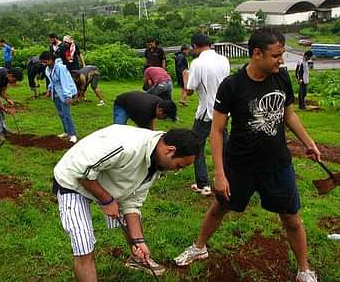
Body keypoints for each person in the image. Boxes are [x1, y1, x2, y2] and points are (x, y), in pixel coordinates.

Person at [174, 28, 320, 282]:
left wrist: (309, 142)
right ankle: (199, 248)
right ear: (256, 54)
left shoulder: (282, 78)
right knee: (219, 207)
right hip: (240, 164)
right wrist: (219, 174)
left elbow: (289, 115)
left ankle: (304, 269)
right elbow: (217, 131)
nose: (281, 60)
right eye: (276, 55)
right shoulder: (232, 86)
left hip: (277, 164)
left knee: (291, 218)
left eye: (282, 54)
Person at [53, 124, 201, 280]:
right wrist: (107, 200)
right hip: (73, 180)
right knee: (84, 246)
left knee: (128, 217)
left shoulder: (157, 161)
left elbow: (132, 202)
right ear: (170, 150)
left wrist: (139, 242)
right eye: (179, 165)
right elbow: (80, 171)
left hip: (105, 178)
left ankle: (138, 258)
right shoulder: (127, 147)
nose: (177, 170)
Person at [186, 34, 230, 196]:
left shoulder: (197, 63)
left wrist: (186, 79)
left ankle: (203, 184)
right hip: (224, 111)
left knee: (197, 145)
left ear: (195, 46)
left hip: (206, 112)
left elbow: (190, 90)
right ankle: (229, 178)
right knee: (225, 146)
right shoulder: (223, 60)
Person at [39, 51, 78, 143]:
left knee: (66, 114)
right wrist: (49, 91)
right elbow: (51, 81)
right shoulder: (48, 69)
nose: (44, 64)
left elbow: (66, 81)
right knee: (61, 114)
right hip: (55, 93)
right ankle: (66, 132)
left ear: (51, 60)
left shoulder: (60, 68)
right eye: (42, 62)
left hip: (64, 92)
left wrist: (68, 96)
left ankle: (73, 134)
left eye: (45, 61)